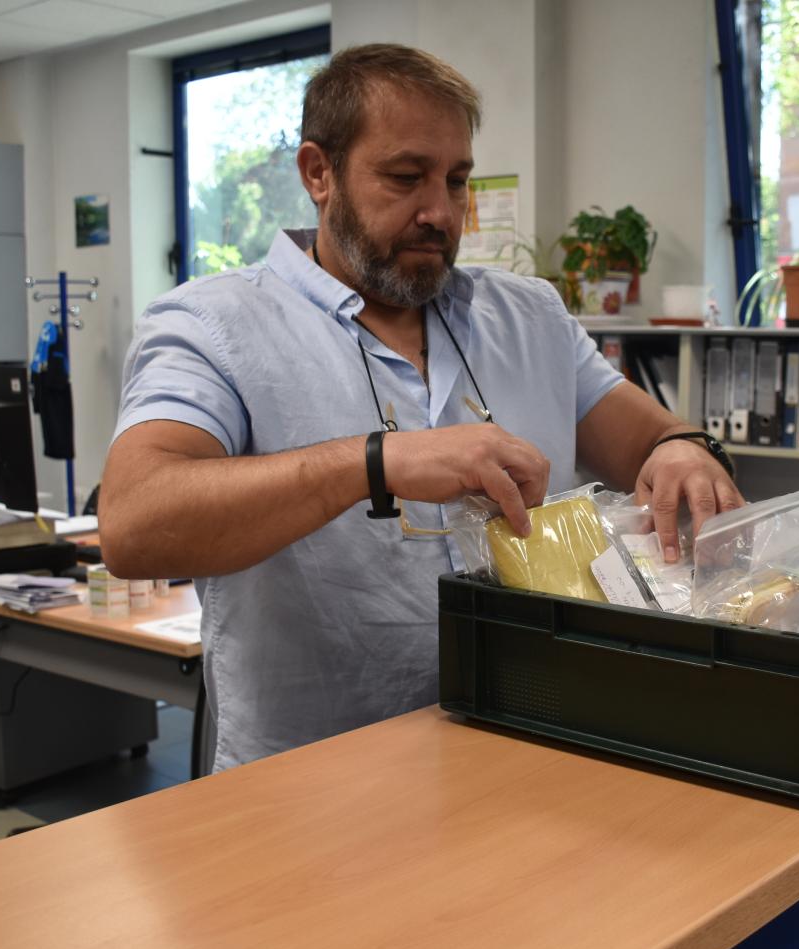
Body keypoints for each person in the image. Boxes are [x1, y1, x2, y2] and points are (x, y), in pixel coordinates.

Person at [101, 44, 741, 771]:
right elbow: (133, 523)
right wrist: (379, 460)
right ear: (319, 173)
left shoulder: (527, 316)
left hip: (536, 755)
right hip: (309, 795)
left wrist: (682, 448)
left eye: (457, 181)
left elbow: (649, 440)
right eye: (405, 178)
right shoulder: (212, 325)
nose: (440, 211)